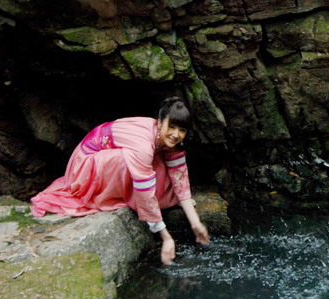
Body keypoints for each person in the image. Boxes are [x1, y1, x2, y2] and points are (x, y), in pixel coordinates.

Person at [30, 97, 209, 265]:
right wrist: (166, 237)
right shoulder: (142, 145)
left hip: (120, 163)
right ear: (160, 122)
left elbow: (180, 178)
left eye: (182, 130)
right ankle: (113, 195)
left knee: (158, 166)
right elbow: (145, 193)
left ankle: (131, 194)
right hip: (85, 167)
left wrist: (195, 223)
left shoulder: (166, 141)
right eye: (172, 127)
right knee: (127, 162)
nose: (176, 134)